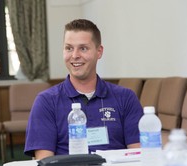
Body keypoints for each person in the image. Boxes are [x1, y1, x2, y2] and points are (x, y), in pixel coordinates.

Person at [24, 19, 143, 159]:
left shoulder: (125, 97)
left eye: (83, 48)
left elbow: (139, 156)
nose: (75, 55)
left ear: (99, 52)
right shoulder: (46, 101)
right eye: (69, 48)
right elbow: (44, 161)